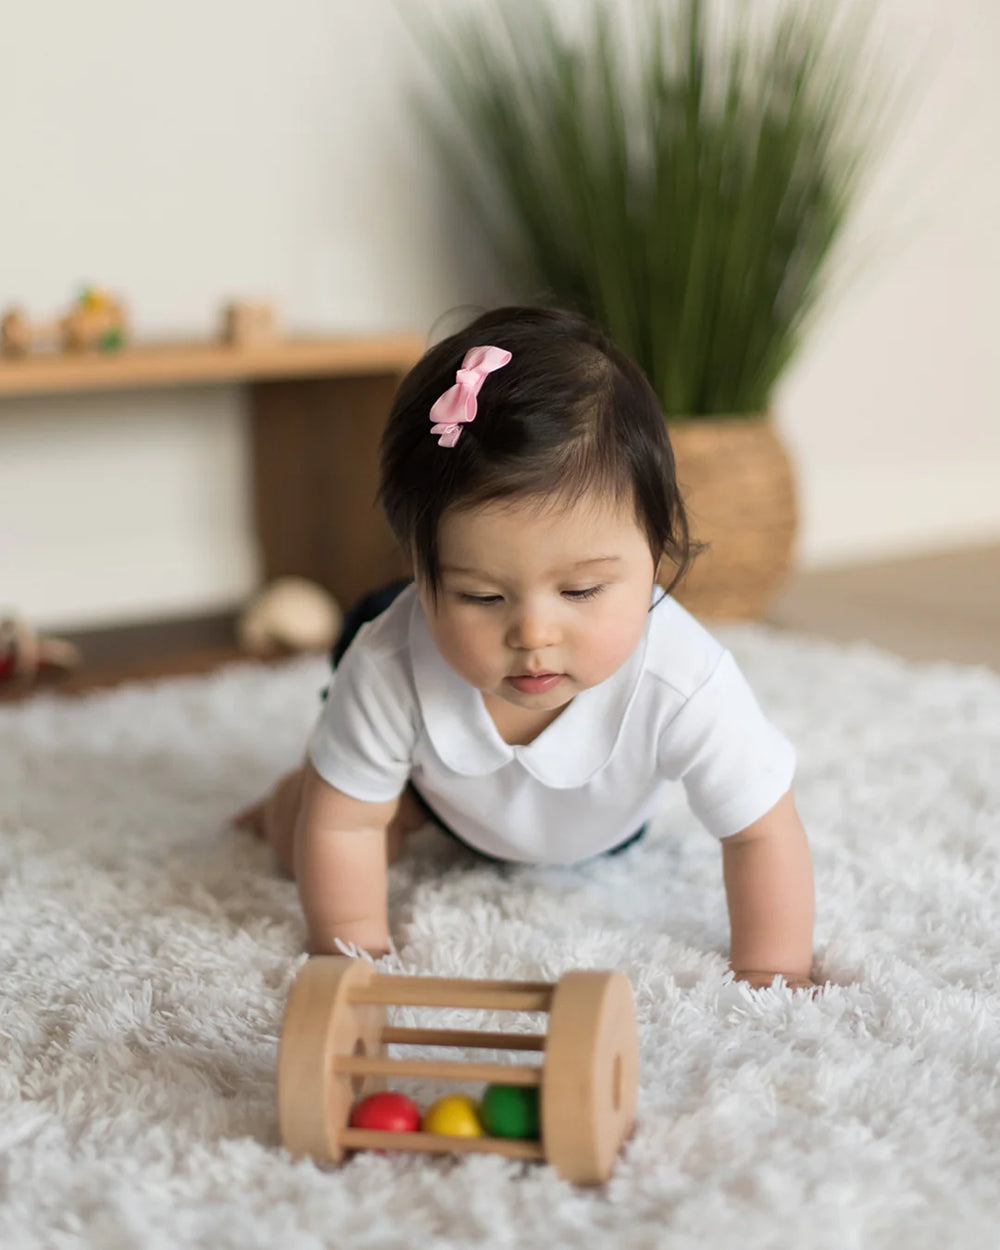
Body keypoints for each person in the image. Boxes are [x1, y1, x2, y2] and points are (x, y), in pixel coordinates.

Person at [235, 305, 817, 991]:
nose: (534, 635)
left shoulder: (684, 678)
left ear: (655, 555)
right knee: (313, 827)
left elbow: (760, 833)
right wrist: (352, 959)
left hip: (602, 821)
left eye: (582, 591)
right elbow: (346, 830)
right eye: (483, 596)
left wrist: (773, 972)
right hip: (443, 797)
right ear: (420, 572)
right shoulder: (392, 661)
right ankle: (290, 792)